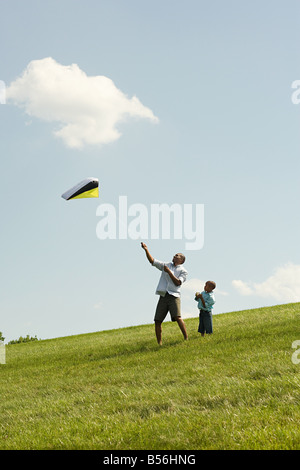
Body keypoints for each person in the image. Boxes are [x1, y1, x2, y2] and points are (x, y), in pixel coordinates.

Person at [141, 242, 188, 345]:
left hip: (174, 296)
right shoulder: (166, 265)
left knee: (177, 317)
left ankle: (186, 338)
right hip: (163, 296)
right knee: (157, 320)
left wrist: (169, 272)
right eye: (174, 255)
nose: (174, 256)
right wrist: (146, 249)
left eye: (177, 255)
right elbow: (152, 261)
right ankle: (159, 343)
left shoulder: (183, 271)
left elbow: (178, 283)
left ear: (181, 260)